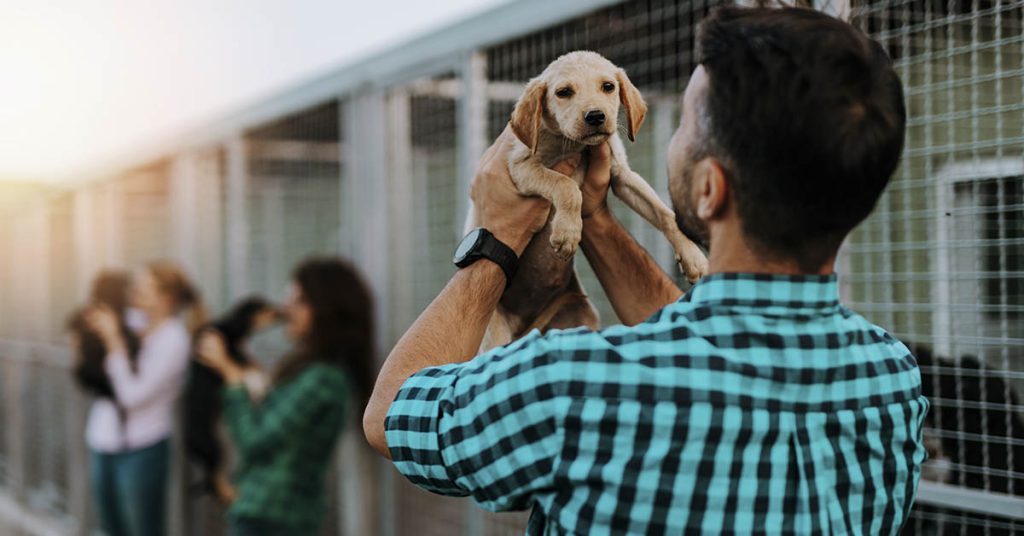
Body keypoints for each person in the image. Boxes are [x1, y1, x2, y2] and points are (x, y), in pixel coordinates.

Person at [365, 6, 926, 535]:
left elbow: (391, 415)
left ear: (710, 188)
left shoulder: (569, 386)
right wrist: (598, 217)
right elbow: (707, 348)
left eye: (683, 125)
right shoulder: (892, 380)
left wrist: (495, 240)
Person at [196, 257, 375, 536]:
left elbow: (254, 439)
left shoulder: (325, 379)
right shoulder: (309, 368)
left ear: (327, 309)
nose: (287, 308)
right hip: (266, 512)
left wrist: (230, 375)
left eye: (299, 300)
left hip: (275, 517)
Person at [84, 261, 205, 536]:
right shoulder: (133, 322)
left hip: (143, 447)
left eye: (144, 287)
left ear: (166, 298)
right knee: (111, 528)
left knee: (142, 530)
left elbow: (131, 395)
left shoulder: (174, 339)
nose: (134, 291)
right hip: (103, 440)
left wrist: (114, 340)